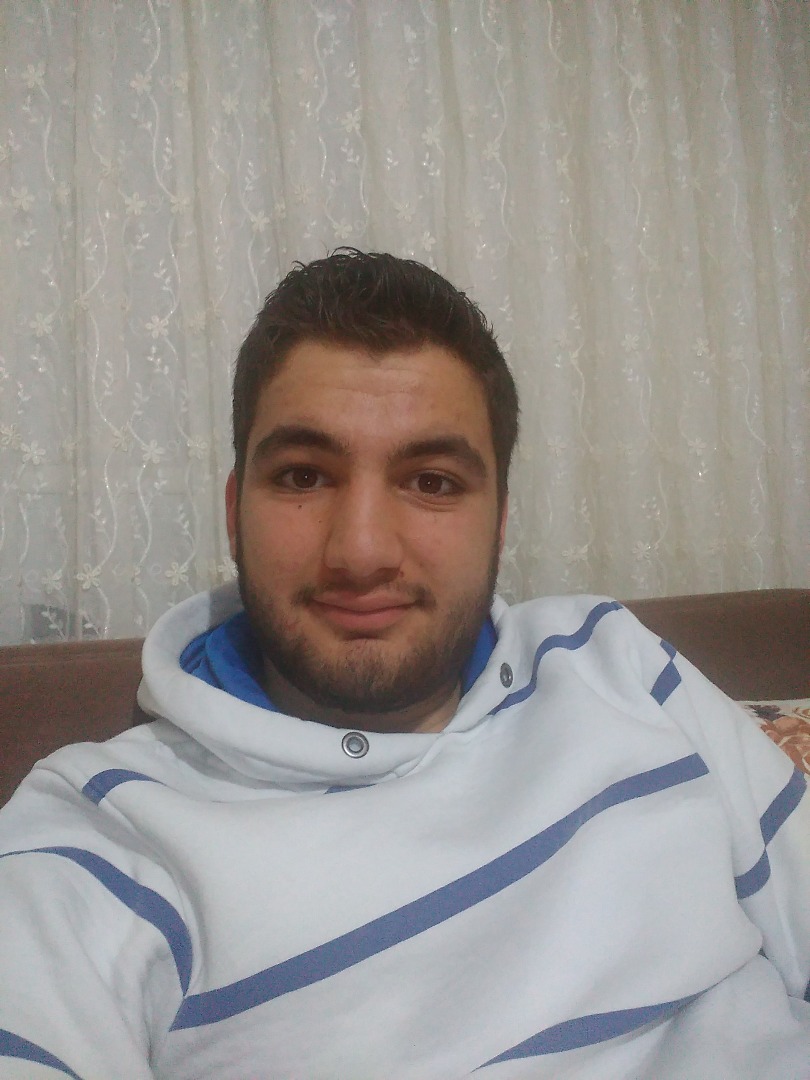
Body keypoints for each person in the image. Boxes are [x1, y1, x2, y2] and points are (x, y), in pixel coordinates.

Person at [0, 250, 808, 1080]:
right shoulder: (97, 833)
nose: (361, 552)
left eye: (431, 481)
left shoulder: (616, 662)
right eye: (304, 476)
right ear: (235, 510)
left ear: (500, 521)